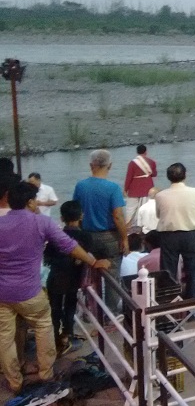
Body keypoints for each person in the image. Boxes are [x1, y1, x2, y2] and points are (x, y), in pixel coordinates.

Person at [1, 182, 109, 392]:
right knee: (43, 326)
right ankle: (46, 374)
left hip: (2, 294)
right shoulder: (41, 222)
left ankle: (14, 381)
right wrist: (93, 262)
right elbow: (69, 246)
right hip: (30, 292)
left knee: (4, 337)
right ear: (31, 202)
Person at [73, 149, 128, 311]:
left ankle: (90, 309)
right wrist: (124, 238)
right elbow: (117, 216)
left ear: (91, 165)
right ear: (109, 166)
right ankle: (110, 313)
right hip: (110, 236)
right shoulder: (113, 188)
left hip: (88, 236)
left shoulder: (81, 186)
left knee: (89, 274)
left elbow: (76, 212)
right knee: (112, 276)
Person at [44, 201, 91, 355]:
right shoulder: (86, 236)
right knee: (70, 306)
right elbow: (89, 254)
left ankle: (55, 337)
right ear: (81, 216)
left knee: (55, 308)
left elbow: (48, 258)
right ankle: (68, 334)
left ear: (62, 218)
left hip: (56, 277)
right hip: (74, 277)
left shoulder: (56, 236)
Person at [155, 163, 195, 299]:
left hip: (169, 235)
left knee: (167, 273)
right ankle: (194, 309)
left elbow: (159, 215)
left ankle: (169, 307)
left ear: (168, 177)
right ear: (185, 175)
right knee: (194, 271)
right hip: (191, 233)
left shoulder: (160, 195)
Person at [123, 144, 157, 225]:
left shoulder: (132, 163)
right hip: (147, 187)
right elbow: (154, 174)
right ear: (146, 152)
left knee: (130, 209)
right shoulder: (151, 162)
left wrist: (125, 189)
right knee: (146, 208)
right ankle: (145, 225)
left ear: (137, 152)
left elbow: (129, 177)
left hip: (134, 188)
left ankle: (128, 226)